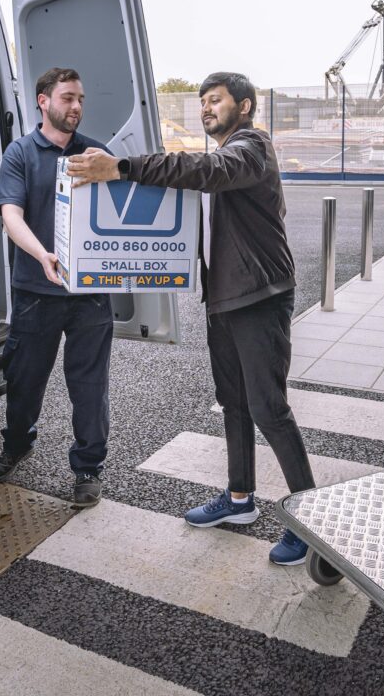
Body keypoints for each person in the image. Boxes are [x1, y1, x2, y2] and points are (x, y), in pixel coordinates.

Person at [67, 71, 315, 564]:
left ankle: (310, 521)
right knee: (234, 404)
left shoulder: (251, 148)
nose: (205, 108)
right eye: (201, 102)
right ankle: (239, 499)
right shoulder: (230, 153)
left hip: (258, 297)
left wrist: (121, 167)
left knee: (269, 408)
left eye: (215, 100)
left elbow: (205, 170)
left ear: (243, 106)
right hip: (225, 296)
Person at [0, 67, 113, 508]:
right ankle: (17, 444)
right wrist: (42, 255)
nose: (75, 106)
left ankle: (88, 468)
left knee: (90, 387)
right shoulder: (21, 153)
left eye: (80, 99)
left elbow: (120, 209)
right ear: (43, 101)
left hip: (89, 297)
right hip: (35, 293)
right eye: (66, 98)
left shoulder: (96, 153)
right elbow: (10, 215)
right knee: (24, 381)